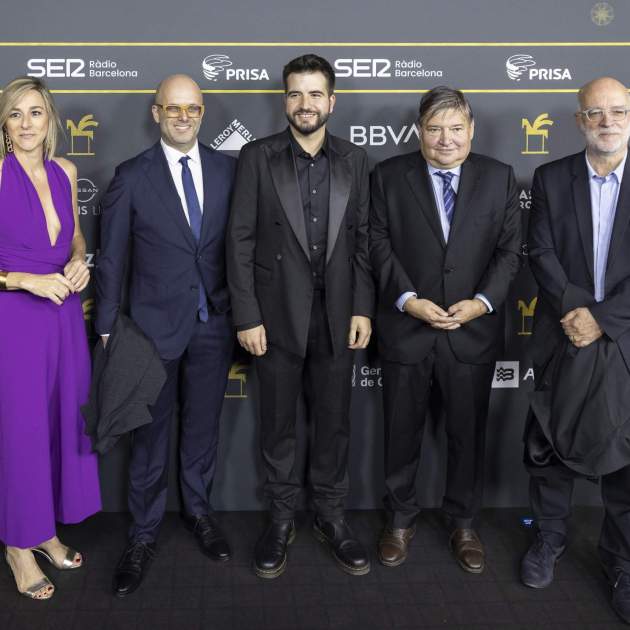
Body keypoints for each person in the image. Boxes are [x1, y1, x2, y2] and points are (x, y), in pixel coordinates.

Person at [227, 54, 374, 578]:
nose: (304, 104)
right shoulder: (256, 156)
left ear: (332, 101)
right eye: (295, 94)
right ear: (284, 100)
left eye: (314, 94)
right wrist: (247, 315)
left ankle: (331, 517)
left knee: (334, 424)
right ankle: (281, 519)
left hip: (337, 316)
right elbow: (239, 241)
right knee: (278, 425)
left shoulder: (356, 159)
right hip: (273, 319)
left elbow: (363, 242)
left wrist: (362, 307)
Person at [369, 86, 521, 573]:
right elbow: (376, 242)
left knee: (467, 436)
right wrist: (407, 300)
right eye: (434, 129)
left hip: (471, 332)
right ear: (419, 131)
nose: (445, 139)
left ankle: (464, 523)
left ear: (471, 129)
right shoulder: (388, 176)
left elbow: (509, 253)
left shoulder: (499, 177)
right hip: (406, 329)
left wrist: (481, 303)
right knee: (400, 433)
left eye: (456, 128)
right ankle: (399, 520)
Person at [95, 74, 236, 597]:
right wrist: (106, 325)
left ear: (202, 113)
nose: (183, 116)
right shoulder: (132, 176)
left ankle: (199, 513)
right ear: (156, 113)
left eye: (192, 108)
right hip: (150, 332)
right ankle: (143, 534)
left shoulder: (229, 171)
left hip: (214, 326)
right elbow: (112, 258)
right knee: (149, 439)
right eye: (172, 108)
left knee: (202, 429)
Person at [521, 76, 630, 624]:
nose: (607, 122)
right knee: (550, 444)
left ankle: (622, 561)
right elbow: (540, 251)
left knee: (626, 456)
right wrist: (578, 313)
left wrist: (603, 320)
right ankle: (548, 538)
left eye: (617, 111)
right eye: (595, 113)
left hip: (625, 337)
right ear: (579, 121)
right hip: (563, 331)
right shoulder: (550, 177)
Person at [0, 77, 101, 599]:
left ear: (50, 119)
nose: (26, 123)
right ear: (4, 122)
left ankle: (43, 531)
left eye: (35, 112)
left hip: (62, 317)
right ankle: (18, 545)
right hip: (14, 318)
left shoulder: (65, 171)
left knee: (58, 423)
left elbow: (75, 235)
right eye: (15, 113)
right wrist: (23, 280)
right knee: (21, 430)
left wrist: (79, 260)